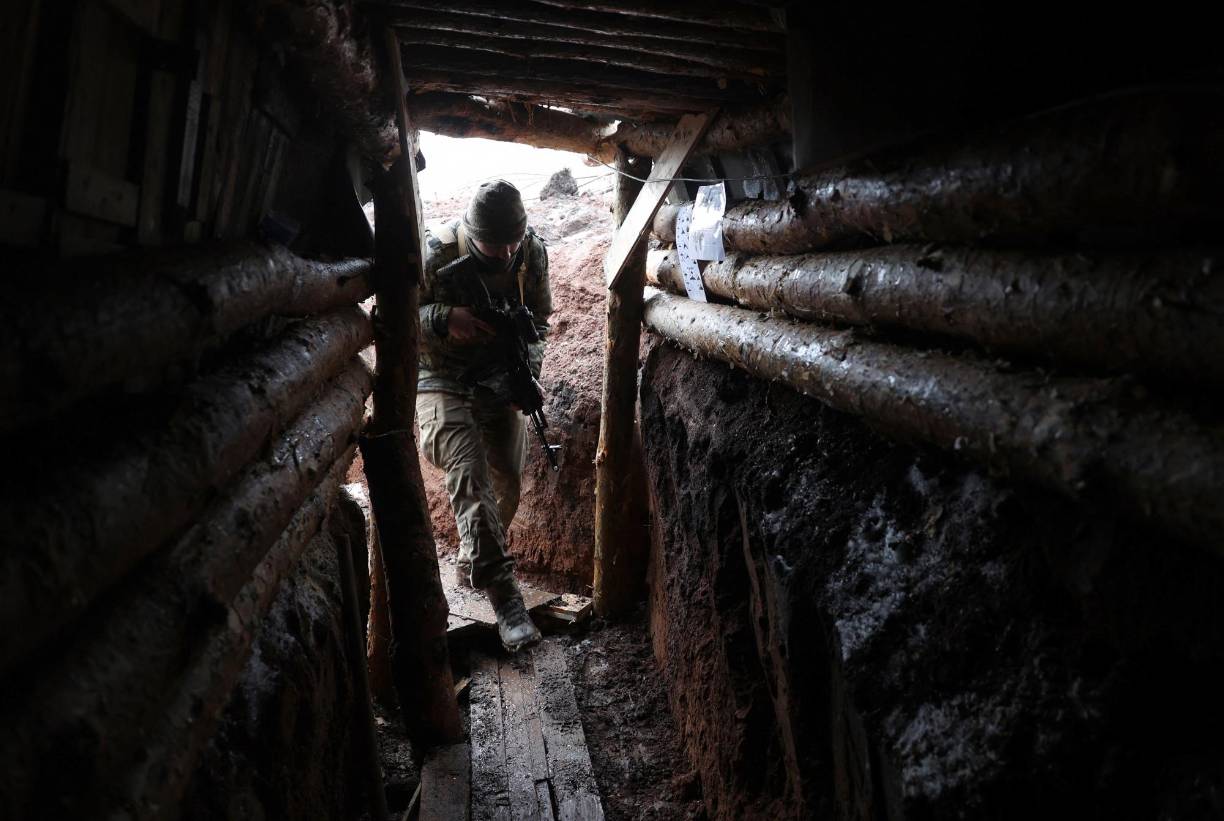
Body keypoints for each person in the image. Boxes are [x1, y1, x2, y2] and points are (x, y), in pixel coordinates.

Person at [417, 180, 550, 651]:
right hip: (439, 378)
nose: (505, 252)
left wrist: (526, 376)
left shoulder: (530, 253)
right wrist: (443, 318)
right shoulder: (434, 254)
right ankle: (505, 600)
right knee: (469, 473)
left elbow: (539, 322)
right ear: (471, 233)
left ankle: (475, 558)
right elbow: (391, 316)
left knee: (507, 478)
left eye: (513, 241)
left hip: (498, 376)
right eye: (494, 244)